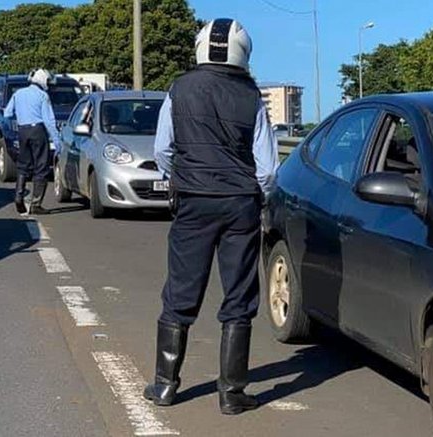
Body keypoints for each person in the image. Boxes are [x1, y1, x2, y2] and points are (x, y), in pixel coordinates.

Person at [144, 19, 279, 415]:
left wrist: (179, 178)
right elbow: (268, 169)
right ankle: (232, 394)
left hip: (193, 201)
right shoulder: (252, 97)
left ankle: (165, 386)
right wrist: (257, 198)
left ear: (202, 48)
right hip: (240, 203)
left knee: (181, 292)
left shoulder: (179, 88)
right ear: (242, 52)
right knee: (239, 297)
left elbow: (163, 148)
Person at [4, 69, 60, 215]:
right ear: (43, 81)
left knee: (23, 166)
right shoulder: (43, 96)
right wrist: (57, 142)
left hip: (22, 131)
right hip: (38, 131)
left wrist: (20, 118)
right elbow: (49, 121)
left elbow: (7, 113)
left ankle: (18, 196)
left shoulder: (18, 94)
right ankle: (36, 204)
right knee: (41, 167)